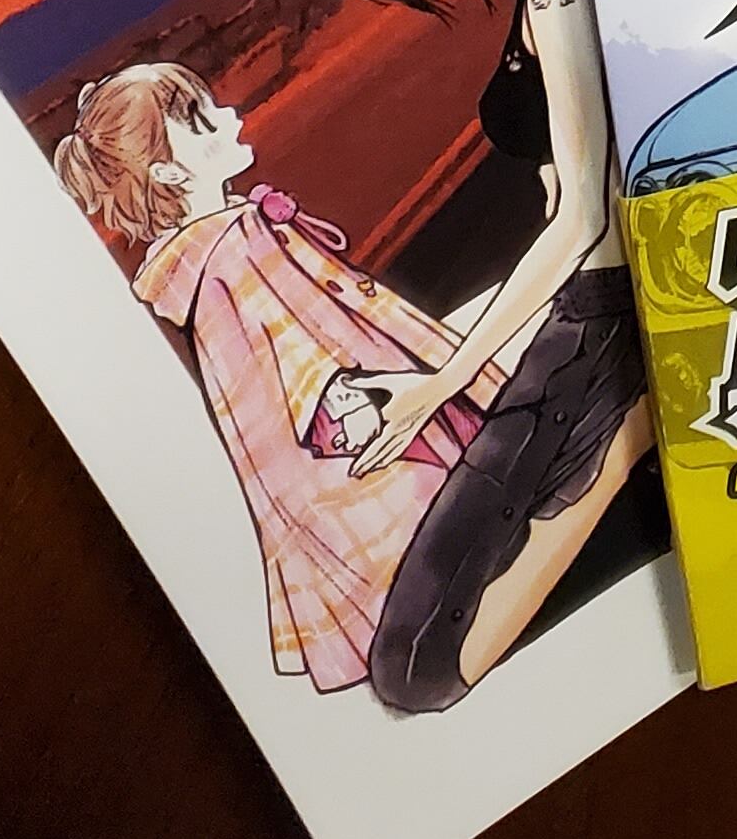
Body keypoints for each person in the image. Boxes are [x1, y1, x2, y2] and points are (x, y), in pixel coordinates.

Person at [309, 0, 653, 714]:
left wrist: (440, 383)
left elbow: (580, 217)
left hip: (602, 324)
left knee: (419, 665)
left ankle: (640, 425)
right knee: (413, 659)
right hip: (576, 316)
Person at [54, 64, 488, 703]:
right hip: (361, 438)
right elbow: (276, 355)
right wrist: (348, 396)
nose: (229, 117)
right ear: (170, 175)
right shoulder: (224, 256)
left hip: (363, 405)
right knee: (448, 550)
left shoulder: (224, 243)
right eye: (202, 123)